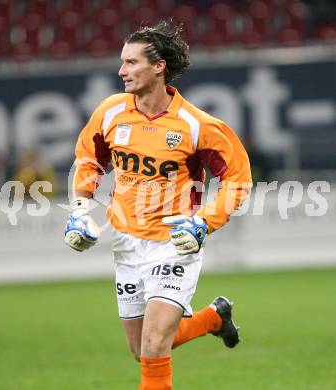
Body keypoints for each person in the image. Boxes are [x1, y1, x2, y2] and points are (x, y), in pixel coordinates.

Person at [64, 20, 252, 390]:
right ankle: (214, 318)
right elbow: (88, 159)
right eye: (122, 62)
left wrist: (204, 223)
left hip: (173, 243)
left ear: (159, 66)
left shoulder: (198, 125)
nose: (122, 71)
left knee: (153, 344)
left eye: (131, 62)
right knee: (142, 349)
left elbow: (237, 179)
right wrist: (79, 210)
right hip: (124, 241)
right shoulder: (111, 112)